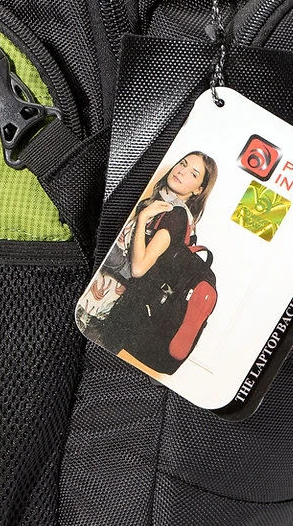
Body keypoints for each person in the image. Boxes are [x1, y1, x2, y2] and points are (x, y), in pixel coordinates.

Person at [90, 152, 217, 373]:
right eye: (182, 163)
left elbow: (139, 268)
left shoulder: (175, 216)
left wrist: (142, 219)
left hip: (108, 308)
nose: (181, 171)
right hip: (115, 309)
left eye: (193, 173)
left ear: (198, 190)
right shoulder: (165, 206)